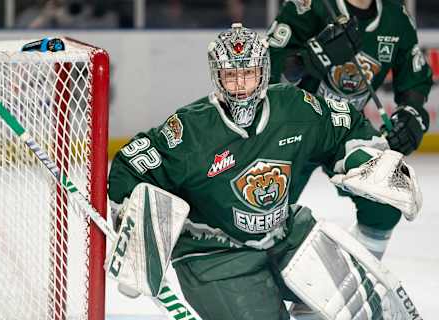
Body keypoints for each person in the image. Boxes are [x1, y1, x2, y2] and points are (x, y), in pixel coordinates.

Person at [108, 24, 420, 320]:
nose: (241, 85)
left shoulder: (292, 106)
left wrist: (367, 162)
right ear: (217, 76)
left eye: (249, 73)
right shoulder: (192, 131)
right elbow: (129, 168)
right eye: (231, 75)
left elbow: (342, 127)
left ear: (264, 72)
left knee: (360, 309)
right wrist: (134, 232)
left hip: (285, 235)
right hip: (214, 253)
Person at [266, 0, 432, 260]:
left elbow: (415, 82)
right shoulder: (308, 6)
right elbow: (267, 72)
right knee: (262, 215)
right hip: (292, 127)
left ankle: (355, 277)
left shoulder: (395, 15)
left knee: (386, 197)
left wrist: (412, 116)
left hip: (345, 128)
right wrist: (315, 55)